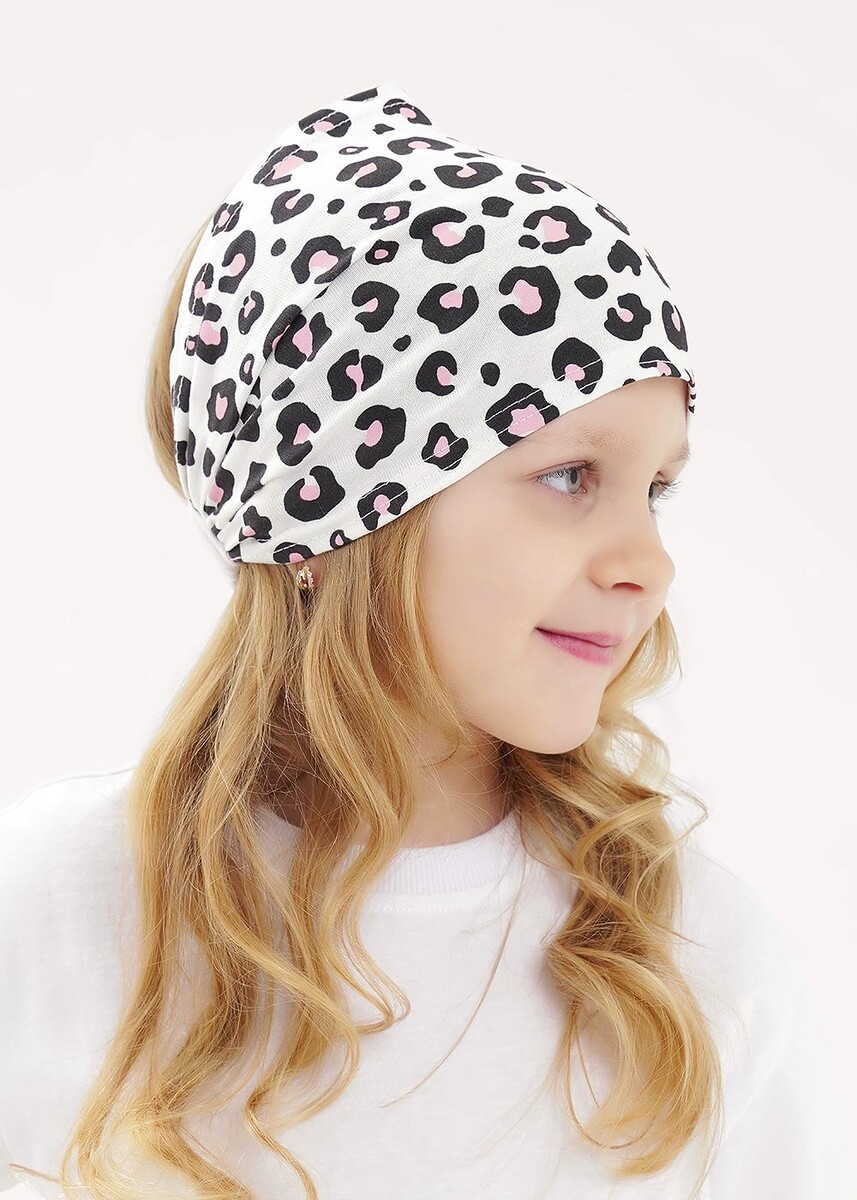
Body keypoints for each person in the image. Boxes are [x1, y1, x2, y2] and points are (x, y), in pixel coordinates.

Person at [0, 80, 820, 1199]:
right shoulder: (53, 909)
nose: (648, 562)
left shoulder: (694, 962)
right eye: (569, 476)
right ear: (340, 512)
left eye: (656, 489)